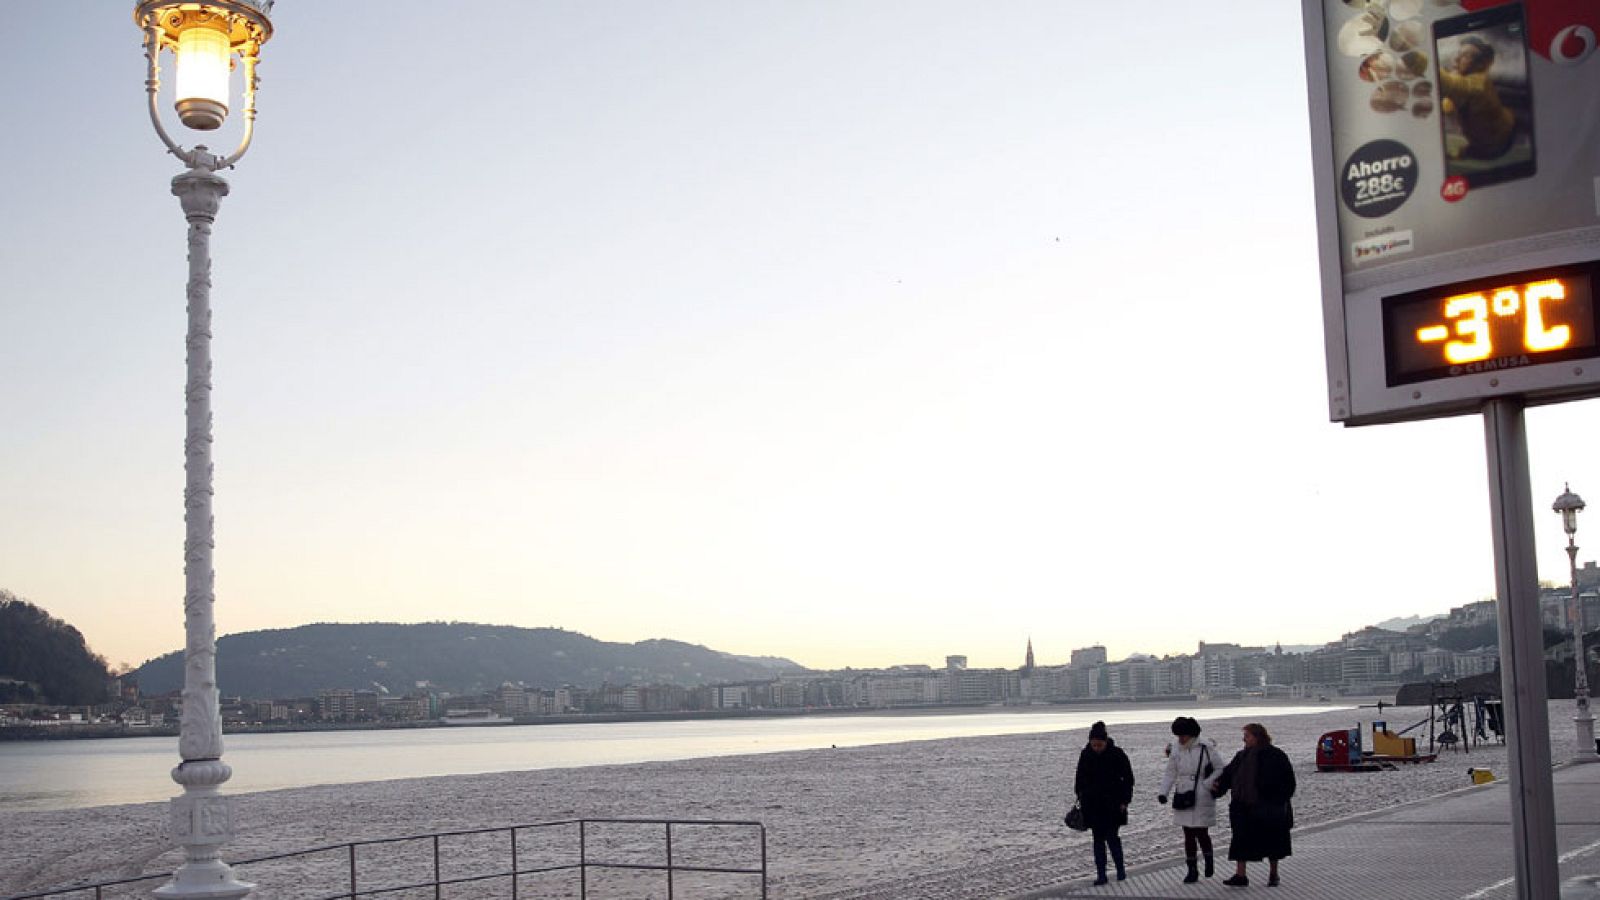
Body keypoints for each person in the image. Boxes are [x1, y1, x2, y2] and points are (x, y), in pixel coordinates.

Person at [1211, 722, 1296, 888]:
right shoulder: (1241, 756)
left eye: (1247, 736)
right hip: (1243, 806)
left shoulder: (1275, 755)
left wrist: (1278, 799)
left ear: (1257, 737)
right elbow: (1228, 775)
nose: (1244, 739)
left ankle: (1273, 874)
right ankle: (1240, 875)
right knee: (1240, 841)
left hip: (1268, 807)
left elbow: (1288, 782)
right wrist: (1217, 787)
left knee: (1273, 842)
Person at [1156, 716, 1222, 883]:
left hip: (1202, 795)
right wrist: (1163, 792)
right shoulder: (1176, 750)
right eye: (1178, 736)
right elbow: (1170, 772)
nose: (1180, 739)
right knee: (1188, 834)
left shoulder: (1206, 748)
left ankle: (1208, 860)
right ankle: (1192, 869)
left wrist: (1207, 784)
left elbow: (1220, 768)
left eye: (1183, 735)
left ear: (1192, 734)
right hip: (1183, 793)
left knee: (1201, 832)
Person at [1074, 720, 1135, 886]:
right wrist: (1081, 795)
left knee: (1112, 837)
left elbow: (1128, 779)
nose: (1096, 748)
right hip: (1092, 805)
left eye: (1099, 745)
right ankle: (1101, 874)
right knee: (1098, 840)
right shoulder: (1085, 754)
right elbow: (1079, 779)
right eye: (1094, 745)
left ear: (1106, 741)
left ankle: (1120, 870)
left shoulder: (1117, 754)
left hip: (1113, 804)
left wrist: (1125, 800)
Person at [1439, 35, 1515, 160]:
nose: (1456, 59)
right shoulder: (1466, 80)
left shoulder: (1479, 83)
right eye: (1459, 54)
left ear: (1480, 64)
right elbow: (1448, 106)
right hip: (1485, 142)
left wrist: (1423, 60)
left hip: (1498, 142)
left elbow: (1449, 85)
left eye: (1465, 56)